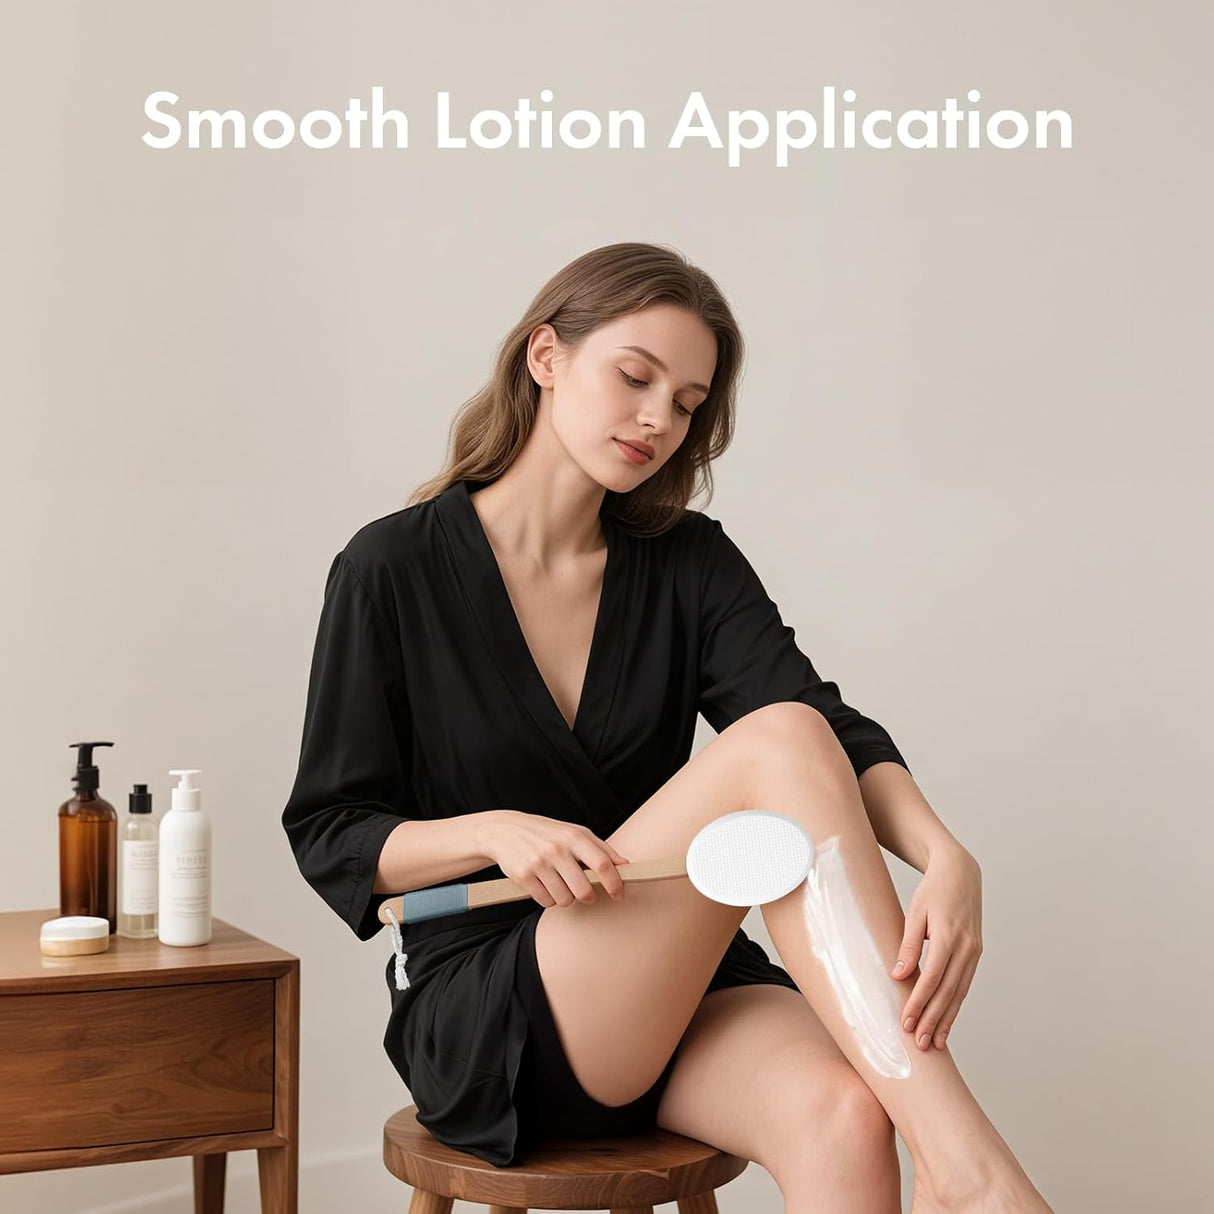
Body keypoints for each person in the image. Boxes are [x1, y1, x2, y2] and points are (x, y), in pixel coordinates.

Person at [282, 242, 1054, 1213]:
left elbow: (826, 729)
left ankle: (955, 1162)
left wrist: (943, 852)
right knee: (775, 741)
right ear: (545, 357)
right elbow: (330, 830)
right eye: (634, 377)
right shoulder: (390, 569)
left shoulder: (685, 562)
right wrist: (492, 831)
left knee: (842, 1110)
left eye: (687, 402)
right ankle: (970, 1171)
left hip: (680, 979)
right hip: (500, 993)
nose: (658, 418)